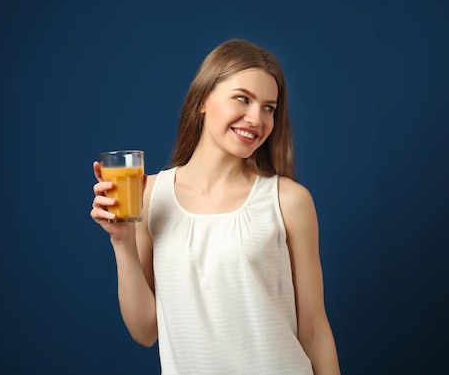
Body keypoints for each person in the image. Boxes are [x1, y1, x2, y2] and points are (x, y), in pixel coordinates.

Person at [91, 39, 341, 374]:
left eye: (269, 107)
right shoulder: (149, 195)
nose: (257, 118)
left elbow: (314, 329)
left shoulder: (289, 201)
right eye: (243, 98)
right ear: (203, 100)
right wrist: (121, 241)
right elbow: (145, 331)